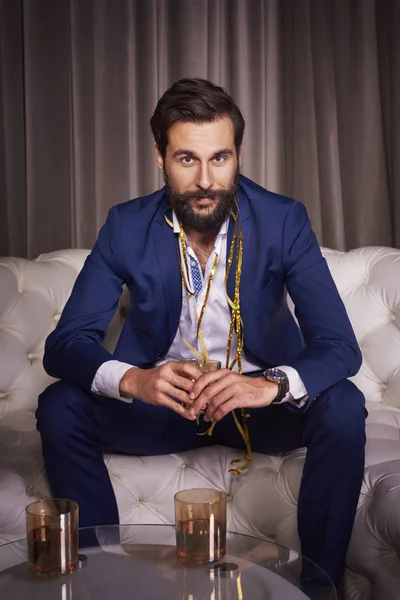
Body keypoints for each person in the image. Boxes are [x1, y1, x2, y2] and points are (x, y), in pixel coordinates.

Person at [36, 78, 366, 589]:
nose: (206, 179)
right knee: (60, 404)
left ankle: (319, 586)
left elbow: (340, 346)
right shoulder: (124, 225)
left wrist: (269, 384)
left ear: (237, 156)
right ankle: (101, 576)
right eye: (187, 159)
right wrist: (134, 381)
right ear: (160, 158)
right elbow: (65, 345)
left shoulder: (284, 221)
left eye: (221, 158)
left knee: (343, 405)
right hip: (162, 409)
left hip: (256, 412)